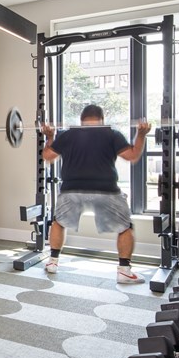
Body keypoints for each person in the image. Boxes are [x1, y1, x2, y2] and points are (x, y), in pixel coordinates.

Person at [41, 104, 151, 284]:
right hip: (106, 190)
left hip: (71, 190)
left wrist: (50, 137)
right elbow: (133, 156)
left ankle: (52, 262)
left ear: (81, 120)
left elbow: (47, 156)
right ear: (102, 119)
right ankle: (124, 271)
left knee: (58, 222)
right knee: (125, 227)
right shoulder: (112, 134)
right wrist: (141, 135)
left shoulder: (67, 135)